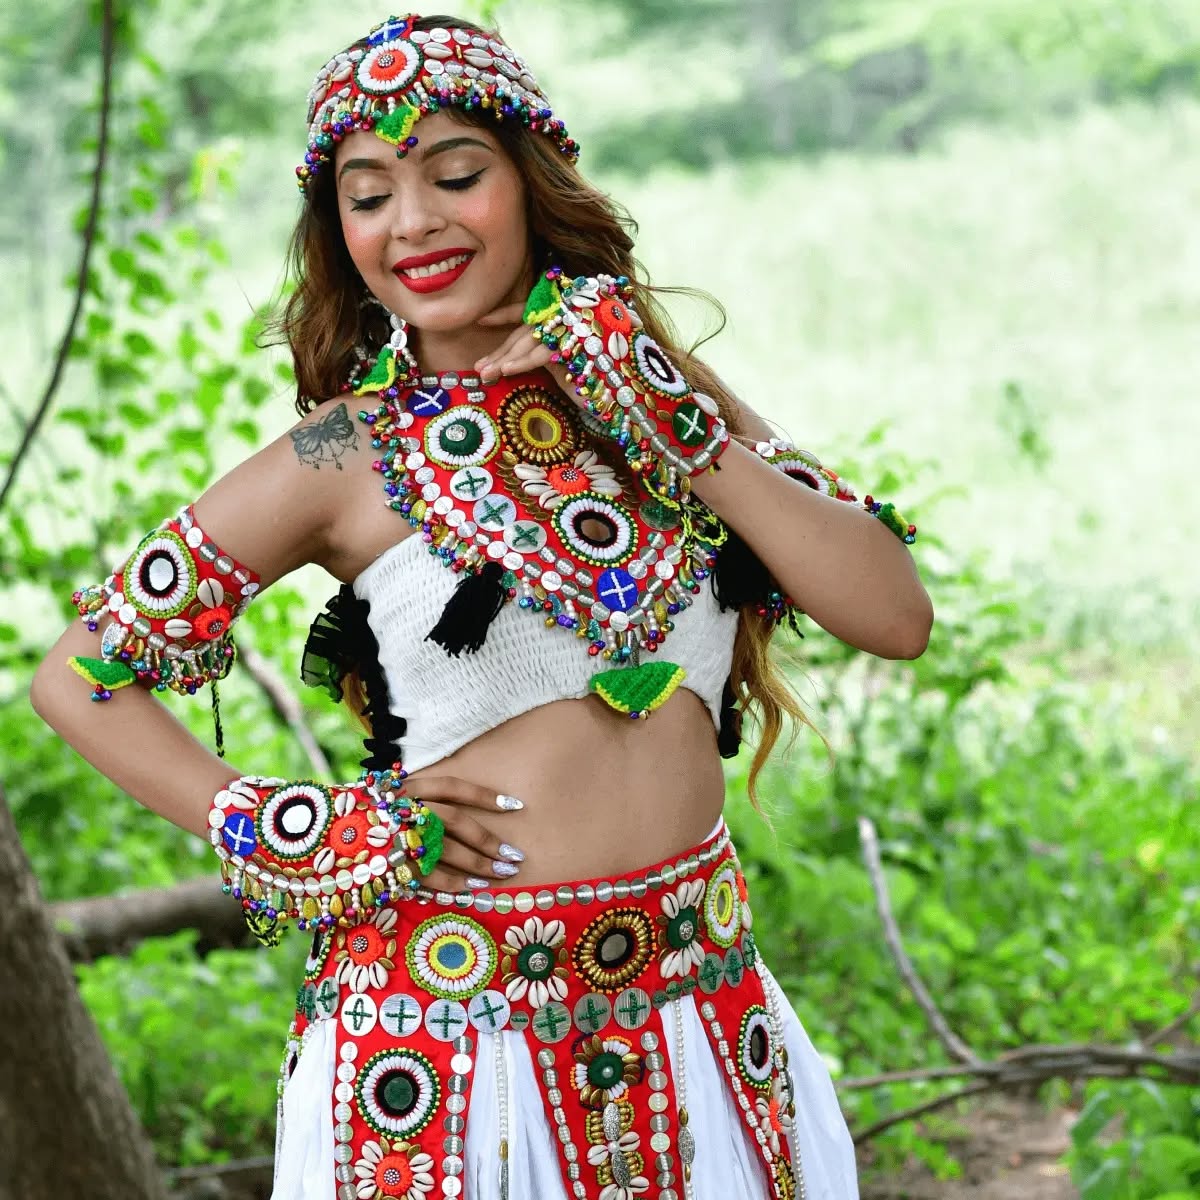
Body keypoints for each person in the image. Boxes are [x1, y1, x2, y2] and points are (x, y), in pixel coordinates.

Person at [31, 12, 931, 1200]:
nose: (413, 223)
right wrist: (293, 830)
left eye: (455, 174)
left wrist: (669, 418)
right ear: (336, 229)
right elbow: (80, 675)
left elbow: (893, 613)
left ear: (530, 179)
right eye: (367, 196)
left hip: (703, 1014)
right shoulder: (343, 455)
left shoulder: (665, 393)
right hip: (450, 1053)